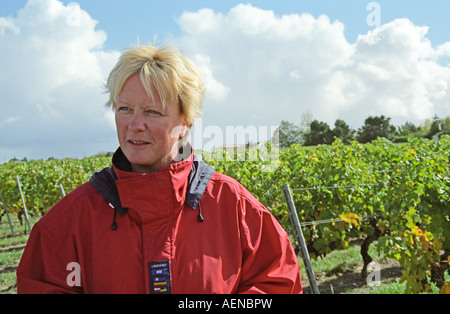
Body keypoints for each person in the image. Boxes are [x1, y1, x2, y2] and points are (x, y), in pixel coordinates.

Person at [17, 44, 302, 294]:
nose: (134, 124)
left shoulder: (233, 205)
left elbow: (277, 281)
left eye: (152, 112)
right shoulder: (73, 217)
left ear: (185, 122)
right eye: (124, 109)